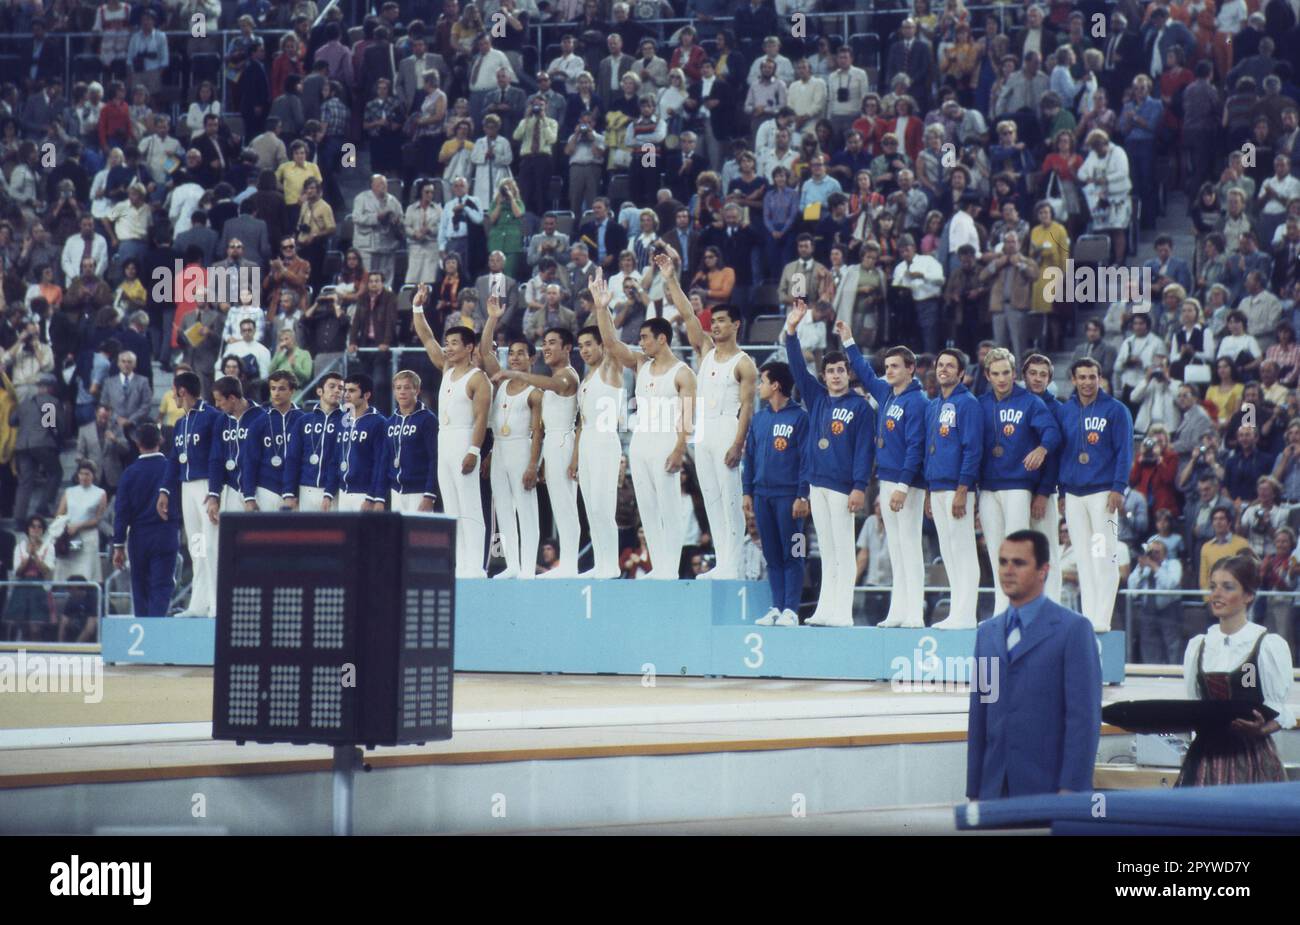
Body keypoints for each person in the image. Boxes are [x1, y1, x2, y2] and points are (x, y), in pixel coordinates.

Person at [966, 530, 1103, 799]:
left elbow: (1084, 718)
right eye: (1003, 562)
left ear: (1043, 570)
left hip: (1050, 791)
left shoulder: (1073, 630)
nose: (1008, 570)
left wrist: (1071, 788)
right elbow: (980, 717)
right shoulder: (987, 635)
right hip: (994, 791)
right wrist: (974, 790)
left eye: (1019, 563)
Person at [591, 264, 696, 580]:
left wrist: (679, 449)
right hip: (641, 443)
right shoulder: (641, 364)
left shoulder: (683, 373)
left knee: (669, 508)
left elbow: (687, 416)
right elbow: (610, 344)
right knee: (647, 509)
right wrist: (602, 308)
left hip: (666, 441)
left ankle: (671, 569)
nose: (641, 342)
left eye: (646, 338)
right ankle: (659, 565)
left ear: (662, 339)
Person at [662, 249, 757, 580]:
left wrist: (738, 443)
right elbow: (688, 314)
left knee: (731, 500)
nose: (714, 326)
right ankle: (723, 562)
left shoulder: (744, 363)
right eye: (713, 321)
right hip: (703, 432)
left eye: (720, 321)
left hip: (728, 430)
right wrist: (671, 278)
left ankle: (734, 563)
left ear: (735, 325)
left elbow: (748, 406)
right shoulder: (704, 350)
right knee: (712, 499)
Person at [784, 298, 873, 626]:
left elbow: (865, 451)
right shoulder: (817, 397)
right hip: (816, 484)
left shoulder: (861, 407)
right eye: (831, 371)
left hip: (843, 486)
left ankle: (844, 611)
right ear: (823, 375)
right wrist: (791, 330)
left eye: (841, 370)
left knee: (844, 548)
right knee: (827, 549)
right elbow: (795, 365)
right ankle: (826, 608)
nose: (836, 375)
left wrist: (860, 487)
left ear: (848, 374)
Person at [1177, 554, 1295, 786]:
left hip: (1250, 757)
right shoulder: (1199, 646)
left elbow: (1280, 711)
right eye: (1213, 587)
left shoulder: (1265, 645)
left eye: (1227, 587)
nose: (1217, 594)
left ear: (1248, 596)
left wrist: (1261, 730)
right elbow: (1195, 704)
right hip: (1206, 758)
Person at [838, 333, 929, 628]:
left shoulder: (917, 401)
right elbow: (864, 373)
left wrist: (903, 486)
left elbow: (916, 446)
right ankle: (898, 610)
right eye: (887, 366)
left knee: (910, 546)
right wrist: (850, 342)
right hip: (887, 479)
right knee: (897, 549)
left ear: (910, 368)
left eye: (895, 366)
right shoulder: (887, 394)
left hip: (908, 484)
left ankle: (915, 611)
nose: (888, 371)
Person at [975, 347, 1062, 618]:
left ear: (1014, 374)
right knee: (996, 551)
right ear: (988, 375)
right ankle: (1003, 608)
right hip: (988, 487)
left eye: (1006, 373)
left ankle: (1033, 608)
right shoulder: (981, 403)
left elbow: (1052, 432)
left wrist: (1041, 449)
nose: (1001, 379)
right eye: (996, 374)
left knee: (1020, 549)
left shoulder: (1031, 402)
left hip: (1018, 485)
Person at [412, 288, 490, 577]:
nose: (448, 348)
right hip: (444, 439)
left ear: (469, 347)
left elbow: (481, 417)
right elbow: (427, 338)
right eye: (448, 343)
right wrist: (418, 308)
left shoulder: (477, 378)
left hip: (464, 438)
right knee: (452, 506)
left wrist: (474, 450)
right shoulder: (446, 369)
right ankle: (459, 563)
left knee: (470, 505)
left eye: (454, 343)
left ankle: (476, 566)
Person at [1060, 357, 1136, 632]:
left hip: (1103, 492)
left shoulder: (1115, 410)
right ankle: (1089, 616)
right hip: (1074, 494)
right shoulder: (1065, 411)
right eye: (1082, 377)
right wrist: (1061, 489)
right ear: (1073, 380)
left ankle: (1102, 617)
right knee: (1083, 557)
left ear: (1100, 378)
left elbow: (1125, 452)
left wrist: (1118, 487)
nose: (1087, 382)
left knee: (1104, 556)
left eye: (1092, 377)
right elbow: (1062, 453)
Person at [921, 347, 985, 629]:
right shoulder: (933, 405)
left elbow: (972, 448)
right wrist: (926, 491)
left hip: (957, 488)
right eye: (940, 364)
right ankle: (956, 612)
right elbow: (928, 450)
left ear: (962, 373)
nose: (943, 369)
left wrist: (963, 488)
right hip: (936, 486)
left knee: (963, 550)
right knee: (947, 552)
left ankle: (966, 614)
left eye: (950, 366)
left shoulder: (968, 403)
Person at [744, 361, 811, 627]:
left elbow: (807, 459)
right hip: (762, 496)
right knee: (771, 553)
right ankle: (776, 606)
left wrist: (803, 495)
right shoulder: (759, 419)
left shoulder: (800, 417)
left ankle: (792, 610)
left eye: (763, 381)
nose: (759, 386)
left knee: (794, 552)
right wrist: (747, 491)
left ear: (776, 385)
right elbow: (749, 458)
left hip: (790, 498)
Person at [480, 299, 543, 578]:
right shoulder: (501, 383)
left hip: (522, 448)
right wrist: (493, 319)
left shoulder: (536, 390)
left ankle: (528, 567)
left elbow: (538, 431)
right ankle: (513, 565)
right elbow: (484, 351)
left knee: (526, 510)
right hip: (501, 449)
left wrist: (533, 465)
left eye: (521, 354)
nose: (515, 358)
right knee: (503, 508)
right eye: (512, 353)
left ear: (532, 358)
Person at [156, 371, 225, 618]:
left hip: (207, 485)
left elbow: (218, 457)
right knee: (197, 547)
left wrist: (215, 492)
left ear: (181, 391)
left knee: (213, 546)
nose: (172, 396)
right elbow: (174, 460)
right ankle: (198, 603)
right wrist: (165, 490)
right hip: (187, 488)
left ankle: (218, 604)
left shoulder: (213, 417)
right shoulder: (181, 423)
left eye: (174, 391)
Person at [570, 319, 627, 580]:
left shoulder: (609, 368)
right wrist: (576, 458)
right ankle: (600, 562)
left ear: (601, 346)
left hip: (605, 440)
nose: (584, 350)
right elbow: (581, 422)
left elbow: (613, 344)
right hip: (588, 442)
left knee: (604, 506)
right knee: (591, 507)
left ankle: (611, 564)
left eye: (589, 345)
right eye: (580, 346)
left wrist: (601, 309)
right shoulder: (586, 378)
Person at [113, 423, 179, 617]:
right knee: (161, 586)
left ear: (137, 443)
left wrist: (118, 545)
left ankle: (143, 631)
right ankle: (155, 633)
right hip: (166, 532)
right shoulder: (171, 469)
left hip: (138, 536)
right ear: (161, 440)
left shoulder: (129, 473)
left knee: (140, 588)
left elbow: (121, 512)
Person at [242, 370, 303, 511]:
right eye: (273, 388)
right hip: (265, 489)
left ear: (292, 391)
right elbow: (250, 460)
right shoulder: (259, 422)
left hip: (297, 492)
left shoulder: (303, 419)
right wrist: (249, 497)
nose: (276, 393)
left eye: (282, 389)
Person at [382, 370, 440, 514]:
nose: (402, 392)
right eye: (398, 387)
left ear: (417, 390)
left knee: (421, 536)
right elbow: (385, 460)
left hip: (419, 492)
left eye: (407, 387)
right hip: (395, 492)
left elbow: (435, 459)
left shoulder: (428, 419)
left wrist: (429, 495)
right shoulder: (390, 422)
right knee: (397, 536)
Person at [285, 372, 343, 512]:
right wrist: (289, 492)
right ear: (319, 391)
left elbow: (340, 459)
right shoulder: (303, 421)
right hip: (305, 489)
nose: (337, 390)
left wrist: (329, 492)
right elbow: (293, 458)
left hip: (334, 492)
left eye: (341, 388)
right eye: (332, 386)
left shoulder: (347, 422)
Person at [335, 373, 389, 512]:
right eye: (345, 390)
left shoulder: (378, 422)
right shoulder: (342, 421)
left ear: (366, 395)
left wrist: (372, 496)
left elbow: (380, 463)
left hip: (364, 494)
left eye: (352, 391)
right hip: (343, 492)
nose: (346, 395)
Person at [1128, 537, 1185, 664]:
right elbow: (1132, 589)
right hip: (1147, 611)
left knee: (1172, 645)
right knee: (1149, 644)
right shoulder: (1144, 566)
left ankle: (1174, 674)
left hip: (1169, 609)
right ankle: (1151, 674)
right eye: (1151, 550)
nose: (1153, 554)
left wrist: (1154, 566)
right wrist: (1141, 569)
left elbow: (1170, 584)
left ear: (1165, 552)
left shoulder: (1173, 564)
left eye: (1157, 550)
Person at [53, 462, 108, 584]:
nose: (84, 477)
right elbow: (59, 514)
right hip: (70, 535)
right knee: (65, 570)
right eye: (81, 474)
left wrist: (79, 526)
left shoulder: (100, 493)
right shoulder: (69, 491)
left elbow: (98, 519)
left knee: (85, 572)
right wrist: (66, 527)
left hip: (88, 537)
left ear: (93, 475)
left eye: (87, 474)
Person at [3, 517, 55, 640]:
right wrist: (28, 556)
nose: (35, 529)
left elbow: (47, 571)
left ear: (43, 530)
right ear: (28, 529)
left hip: (40, 587)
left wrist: (35, 556)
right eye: (32, 526)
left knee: (35, 626)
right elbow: (18, 572)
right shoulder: (20, 547)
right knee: (14, 623)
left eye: (39, 527)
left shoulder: (49, 547)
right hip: (22, 587)